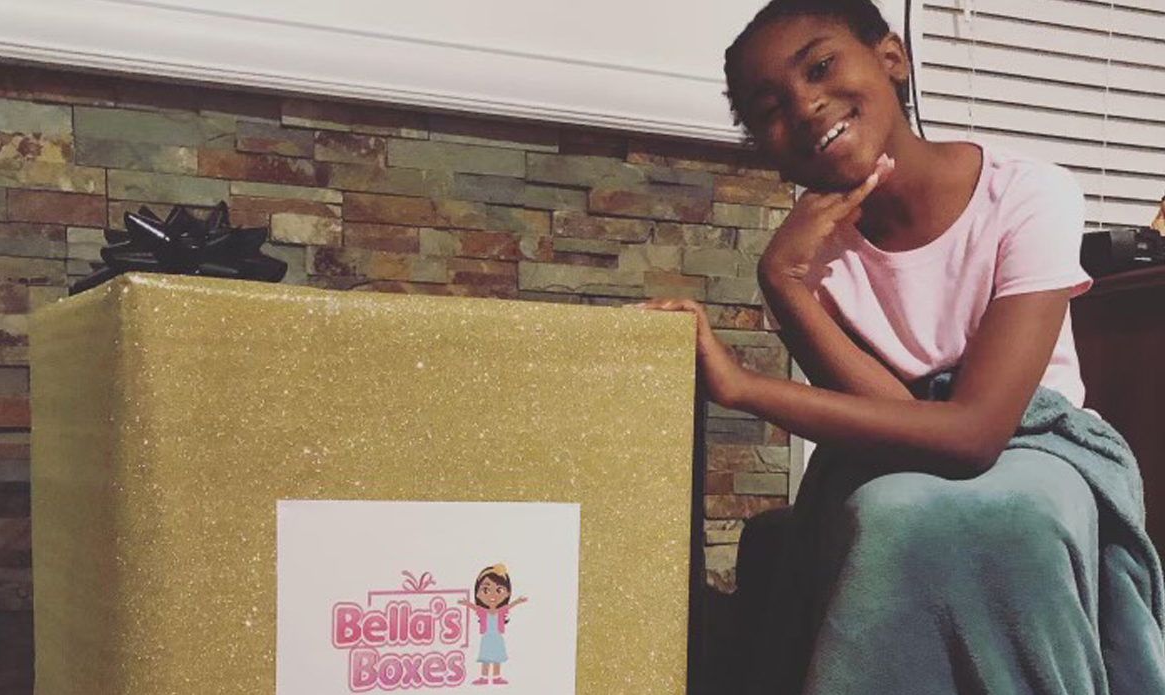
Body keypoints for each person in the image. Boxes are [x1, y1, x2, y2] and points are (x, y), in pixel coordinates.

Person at [638, 0, 1165, 693]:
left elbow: (975, 434)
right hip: (907, 451)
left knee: (997, 514)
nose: (805, 106)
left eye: (820, 67)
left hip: (1037, 444)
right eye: (769, 109)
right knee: (889, 510)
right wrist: (784, 283)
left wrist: (743, 387)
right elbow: (899, 420)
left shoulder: (1028, 193)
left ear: (892, 57)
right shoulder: (806, 260)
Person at [457, 565, 528, 686]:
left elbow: (509, 606)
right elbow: (474, 607)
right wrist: (466, 603)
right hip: (486, 638)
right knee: (485, 658)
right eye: (486, 590)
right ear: (478, 594)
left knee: (497, 658)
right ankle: (484, 677)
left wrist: (518, 601)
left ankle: (496, 677)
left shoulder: (501, 611)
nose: (492, 596)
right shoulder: (483, 612)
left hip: (497, 638)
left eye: (499, 590)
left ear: (507, 594)